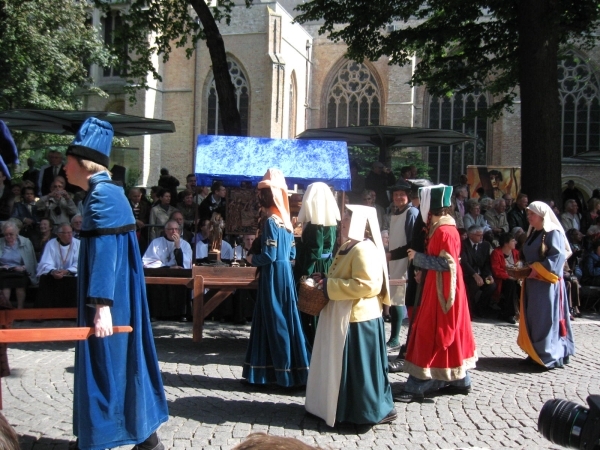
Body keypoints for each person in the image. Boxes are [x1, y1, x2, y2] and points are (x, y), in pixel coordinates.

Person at [64, 117, 168, 450]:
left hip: (111, 300)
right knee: (122, 361)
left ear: (82, 163)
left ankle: (102, 438)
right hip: (116, 297)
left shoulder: (102, 198)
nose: (63, 168)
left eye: (67, 161)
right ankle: (144, 437)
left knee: (106, 364)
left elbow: (106, 254)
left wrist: (102, 307)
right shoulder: (106, 193)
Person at [305, 205, 396, 426]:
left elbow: (367, 285)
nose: (342, 221)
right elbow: (345, 275)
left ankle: (367, 411)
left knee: (359, 371)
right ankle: (343, 409)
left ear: (359, 224)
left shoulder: (364, 249)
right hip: (344, 316)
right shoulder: (348, 246)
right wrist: (325, 277)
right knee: (346, 369)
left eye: (347, 218)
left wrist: (329, 285)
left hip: (358, 320)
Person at [395, 184, 477, 402]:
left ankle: (417, 385)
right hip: (439, 286)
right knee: (443, 332)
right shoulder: (442, 227)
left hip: (443, 293)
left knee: (430, 331)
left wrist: (417, 258)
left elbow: (447, 263)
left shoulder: (444, 230)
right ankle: (460, 380)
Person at [242, 168, 310, 387]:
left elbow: (270, 256)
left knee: (273, 318)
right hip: (285, 274)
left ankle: (278, 374)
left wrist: (252, 259)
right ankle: (288, 370)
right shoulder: (287, 223)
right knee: (284, 318)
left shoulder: (271, 222)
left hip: (273, 275)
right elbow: (291, 255)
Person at [517, 201, 575, 369]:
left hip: (546, 285)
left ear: (542, 215)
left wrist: (535, 269)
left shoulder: (552, 233)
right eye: (528, 214)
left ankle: (548, 355)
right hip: (533, 284)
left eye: (532, 214)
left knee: (545, 318)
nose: (529, 217)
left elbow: (557, 257)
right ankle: (534, 352)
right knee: (533, 318)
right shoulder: (534, 233)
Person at [294, 182, 340, 347]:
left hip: (314, 268)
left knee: (311, 308)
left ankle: (311, 347)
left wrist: (303, 274)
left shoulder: (316, 224)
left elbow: (314, 252)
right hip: (326, 265)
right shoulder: (331, 221)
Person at [385, 180, 418, 352]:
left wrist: (393, 254)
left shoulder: (411, 213)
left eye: (401, 194)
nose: (398, 197)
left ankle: (395, 338)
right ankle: (394, 337)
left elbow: (412, 242)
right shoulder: (395, 212)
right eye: (396, 194)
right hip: (394, 260)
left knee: (397, 298)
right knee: (393, 298)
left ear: (408, 196)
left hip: (403, 261)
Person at [143, 219, 193, 320]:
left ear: (179, 231)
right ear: (165, 231)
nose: (174, 232)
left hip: (178, 273)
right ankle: (157, 314)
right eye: (171, 229)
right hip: (161, 272)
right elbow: (148, 261)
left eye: (176, 229)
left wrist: (178, 247)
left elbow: (186, 263)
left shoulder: (185, 244)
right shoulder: (156, 242)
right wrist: (168, 267)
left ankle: (181, 314)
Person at [35, 224, 79, 308]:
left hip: (71, 275)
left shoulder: (78, 243)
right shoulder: (51, 244)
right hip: (54, 275)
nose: (70, 235)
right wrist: (53, 271)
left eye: (71, 232)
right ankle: (45, 312)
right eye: (67, 233)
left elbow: (79, 262)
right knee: (45, 279)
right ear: (59, 234)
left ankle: (71, 312)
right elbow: (45, 262)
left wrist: (67, 271)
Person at [0, 221, 37, 309]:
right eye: (6, 234)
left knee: (20, 283)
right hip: (3, 271)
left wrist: (23, 267)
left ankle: (20, 309)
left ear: (17, 233)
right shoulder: (0, 242)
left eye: (11, 234)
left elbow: (31, 261)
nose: (8, 236)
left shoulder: (25, 242)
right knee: (5, 283)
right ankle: (6, 308)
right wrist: (1, 267)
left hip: (20, 271)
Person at [490, 233, 520, 324]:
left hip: (516, 277)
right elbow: (496, 271)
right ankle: (509, 314)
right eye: (513, 240)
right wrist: (509, 276)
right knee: (511, 285)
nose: (515, 242)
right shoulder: (496, 253)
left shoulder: (516, 253)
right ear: (506, 243)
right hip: (502, 280)